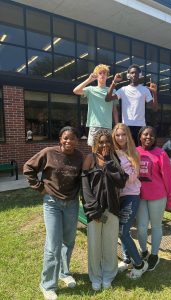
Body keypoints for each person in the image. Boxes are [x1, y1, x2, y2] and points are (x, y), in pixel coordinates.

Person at [23, 126, 83, 300]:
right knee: (53, 245)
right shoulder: (49, 152)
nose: (69, 141)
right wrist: (40, 188)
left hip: (72, 204)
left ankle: (64, 273)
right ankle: (47, 284)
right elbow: (28, 167)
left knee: (69, 241)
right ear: (60, 139)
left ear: (77, 141)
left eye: (72, 138)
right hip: (52, 204)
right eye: (66, 138)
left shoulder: (79, 157)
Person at [81, 129, 128, 291]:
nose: (104, 144)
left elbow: (121, 182)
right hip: (94, 210)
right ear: (96, 143)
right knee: (94, 245)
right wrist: (93, 209)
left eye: (107, 141)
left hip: (112, 208)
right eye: (101, 142)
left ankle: (108, 275)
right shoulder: (89, 159)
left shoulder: (115, 160)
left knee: (110, 244)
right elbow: (85, 186)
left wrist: (109, 161)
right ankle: (95, 276)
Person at [136, 126, 171, 271]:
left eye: (152, 135)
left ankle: (154, 255)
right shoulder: (134, 152)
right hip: (140, 197)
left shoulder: (161, 154)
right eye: (145, 135)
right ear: (140, 136)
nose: (148, 137)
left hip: (158, 197)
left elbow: (169, 178)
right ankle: (143, 251)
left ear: (155, 138)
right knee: (141, 228)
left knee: (156, 226)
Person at [112, 123, 148, 279]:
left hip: (131, 195)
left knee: (123, 231)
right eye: (118, 135)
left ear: (128, 136)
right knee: (120, 230)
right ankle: (127, 260)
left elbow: (133, 178)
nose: (120, 138)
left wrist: (120, 177)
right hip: (117, 197)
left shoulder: (134, 153)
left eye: (123, 134)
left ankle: (140, 264)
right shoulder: (112, 153)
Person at [105, 64, 158, 146]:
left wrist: (154, 93)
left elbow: (154, 108)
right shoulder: (123, 90)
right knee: (127, 150)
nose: (134, 75)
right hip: (126, 126)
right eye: (132, 73)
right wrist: (114, 82)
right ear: (128, 75)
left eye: (136, 73)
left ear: (139, 75)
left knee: (139, 151)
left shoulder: (145, 90)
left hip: (141, 126)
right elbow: (108, 98)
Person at [73, 64, 118, 146]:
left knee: (107, 150)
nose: (102, 75)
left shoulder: (112, 91)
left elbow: (114, 110)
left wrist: (117, 125)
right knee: (94, 150)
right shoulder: (91, 89)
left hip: (107, 126)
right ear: (96, 75)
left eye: (104, 73)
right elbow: (76, 91)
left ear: (107, 76)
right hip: (94, 125)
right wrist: (89, 80)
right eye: (100, 73)